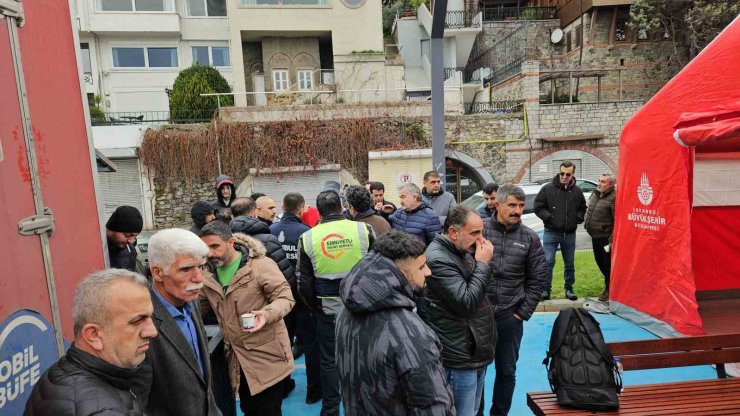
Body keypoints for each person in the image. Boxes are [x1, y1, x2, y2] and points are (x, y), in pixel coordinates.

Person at [336, 231, 455, 416]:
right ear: (400, 274)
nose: (429, 272)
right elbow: (433, 407)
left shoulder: (345, 311)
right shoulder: (411, 334)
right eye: (421, 267)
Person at [25, 269, 157, 416]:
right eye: (137, 321)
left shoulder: (66, 371)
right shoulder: (102, 411)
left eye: (150, 317)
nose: (152, 331)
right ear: (94, 335)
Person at [198, 221, 295, 416]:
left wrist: (265, 314)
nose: (210, 253)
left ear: (231, 242)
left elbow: (285, 298)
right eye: (205, 248)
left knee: (268, 410)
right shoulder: (206, 274)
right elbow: (198, 308)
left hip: (267, 357)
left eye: (215, 246)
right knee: (248, 409)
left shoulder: (260, 266)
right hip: (236, 361)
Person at [297, 190, 374, 416]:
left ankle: (330, 409)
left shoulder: (308, 237)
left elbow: (303, 282)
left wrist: (315, 308)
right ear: (342, 207)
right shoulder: (363, 230)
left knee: (329, 362)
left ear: (318, 211)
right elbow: (378, 267)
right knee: (365, 358)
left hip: (327, 312)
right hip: (363, 310)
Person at [133, 228, 222, 416]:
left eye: (201, 267)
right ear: (157, 272)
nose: (198, 278)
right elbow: (137, 403)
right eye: (186, 269)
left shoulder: (190, 300)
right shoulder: (140, 324)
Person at [423, 205, 495, 416]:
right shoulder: (438, 259)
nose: (481, 239)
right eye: (474, 233)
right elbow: (466, 302)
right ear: (453, 232)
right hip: (459, 356)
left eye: (482, 232)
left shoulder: (460, 250)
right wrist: (482, 264)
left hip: (472, 351)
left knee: (472, 410)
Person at [483, 185, 548, 416]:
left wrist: (522, 313)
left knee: (506, 372)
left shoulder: (529, 238)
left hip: (510, 318)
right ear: (497, 204)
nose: (518, 210)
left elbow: (538, 279)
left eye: (521, 206)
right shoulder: (479, 232)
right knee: (477, 372)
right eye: (512, 205)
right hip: (479, 318)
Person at [230, 196, 297, 397]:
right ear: (254, 212)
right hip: (270, 310)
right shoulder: (268, 238)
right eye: (271, 207)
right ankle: (281, 385)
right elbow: (286, 276)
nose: (273, 211)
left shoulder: (226, 243)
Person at [270, 192, 322, 404]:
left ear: (282, 206)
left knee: (281, 343)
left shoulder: (270, 231)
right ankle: (314, 391)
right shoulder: (307, 233)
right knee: (311, 344)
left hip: (277, 297)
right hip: (302, 298)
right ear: (302, 210)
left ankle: (281, 386)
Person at [534, 161, 587, 301]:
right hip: (551, 232)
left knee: (569, 263)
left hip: (569, 234)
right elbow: (538, 206)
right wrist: (549, 218)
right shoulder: (547, 189)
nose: (564, 176)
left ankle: (569, 289)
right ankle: (545, 290)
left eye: (568, 174)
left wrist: (578, 218)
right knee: (548, 260)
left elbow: (583, 207)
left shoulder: (577, 191)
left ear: (572, 174)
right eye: (562, 173)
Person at [584, 173, 616, 302]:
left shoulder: (614, 197)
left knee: (607, 264)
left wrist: (612, 240)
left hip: (606, 237)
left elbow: (618, 220)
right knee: (599, 262)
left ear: (611, 184)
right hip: (595, 236)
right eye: (599, 180)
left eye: (603, 182)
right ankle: (612, 287)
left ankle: (609, 289)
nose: (599, 183)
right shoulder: (596, 194)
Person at [106, 205, 143, 271]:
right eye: (128, 235)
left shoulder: (130, 250)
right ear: (112, 229)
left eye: (135, 236)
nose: (131, 241)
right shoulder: (97, 251)